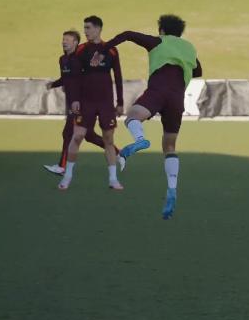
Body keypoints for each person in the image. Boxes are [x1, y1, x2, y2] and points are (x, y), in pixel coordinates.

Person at [91, 14, 202, 219]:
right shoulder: (189, 48)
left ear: (162, 30)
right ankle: (172, 188)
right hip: (177, 97)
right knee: (170, 146)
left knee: (132, 118)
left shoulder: (158, 41)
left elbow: (128, 34)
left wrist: (102, 51)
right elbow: (198, 71)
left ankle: (140, 140)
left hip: (158, 90)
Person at [58, 16, 124, 190]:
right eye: (85, 28)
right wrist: (74, 99)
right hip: (85, 102)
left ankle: (113, 179)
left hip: (105, 103)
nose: (85, 31)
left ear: (98, 29)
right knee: (77, 136)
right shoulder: (80, 50)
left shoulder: (111, 51)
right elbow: (74, 76)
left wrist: (120, 102)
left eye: (88, 28)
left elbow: (118, 77)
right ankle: (67, 176)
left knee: (108, 140)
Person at [43, 30, 117, 175]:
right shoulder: (62, 60)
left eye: (67, 40)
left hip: (81, 104)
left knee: (68, 133)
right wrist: (53, 84)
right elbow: (65, 78)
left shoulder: (80, 59)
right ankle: (119, 153)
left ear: (75, 42)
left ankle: (62, 167)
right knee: (89, 135)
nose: (64, 42)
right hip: (70, 102)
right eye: (63, 39)